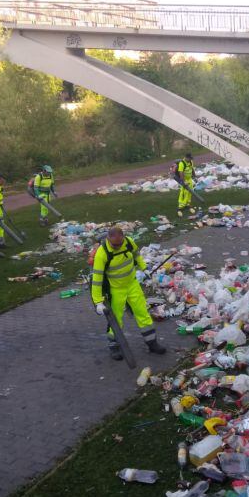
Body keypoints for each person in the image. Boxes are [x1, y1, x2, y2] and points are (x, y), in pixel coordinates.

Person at [91, 227, 166, 359]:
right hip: (116, 289)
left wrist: (144, 268)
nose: (117, 247)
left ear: (124, 238)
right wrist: (98, 302)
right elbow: (97, 280)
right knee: (116, 319)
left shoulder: (129, 242)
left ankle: (152, 343)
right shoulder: (102, 253)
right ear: (108, 238)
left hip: (132, 284)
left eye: (119, 244)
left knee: (143, 313)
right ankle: (114, 347)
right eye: (114, 245)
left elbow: (137, 255)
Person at [174, 152, 196, 216]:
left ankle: (188, 204)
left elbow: (192, 168)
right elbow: (181, 173)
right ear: (186, 157)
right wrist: (183, 181)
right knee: (184, 193)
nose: (190, 160)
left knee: (190, 191)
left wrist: (194, 175)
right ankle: (180, 207)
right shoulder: (182, 163)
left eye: (191, 158)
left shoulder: (190, 162)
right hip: (184, 180)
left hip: (189, 179)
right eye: (189, 158)